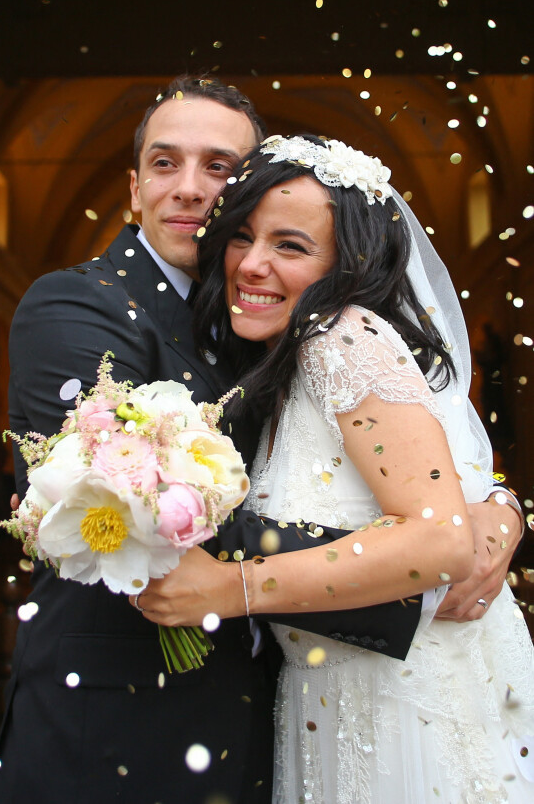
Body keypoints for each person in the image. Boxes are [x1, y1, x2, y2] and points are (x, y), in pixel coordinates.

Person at [0, 78, 435, 804]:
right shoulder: (76, 304)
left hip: (261, 723)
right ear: (134, 190)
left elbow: (402, 446)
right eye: (165, 164)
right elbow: (144, 513)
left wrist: (487, 505)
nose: (189, 187)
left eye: (219, 167)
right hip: (112, 733)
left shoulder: (270, 318)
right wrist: (412, 563)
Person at [138, 134, 534, 802]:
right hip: (333, 701)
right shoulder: (287, 363)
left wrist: (232, 589)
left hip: (408, 712)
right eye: (242, 237)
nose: (252, 264)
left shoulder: (341, 336)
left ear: (343, 265)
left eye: (290, 246)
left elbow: (439, 538)